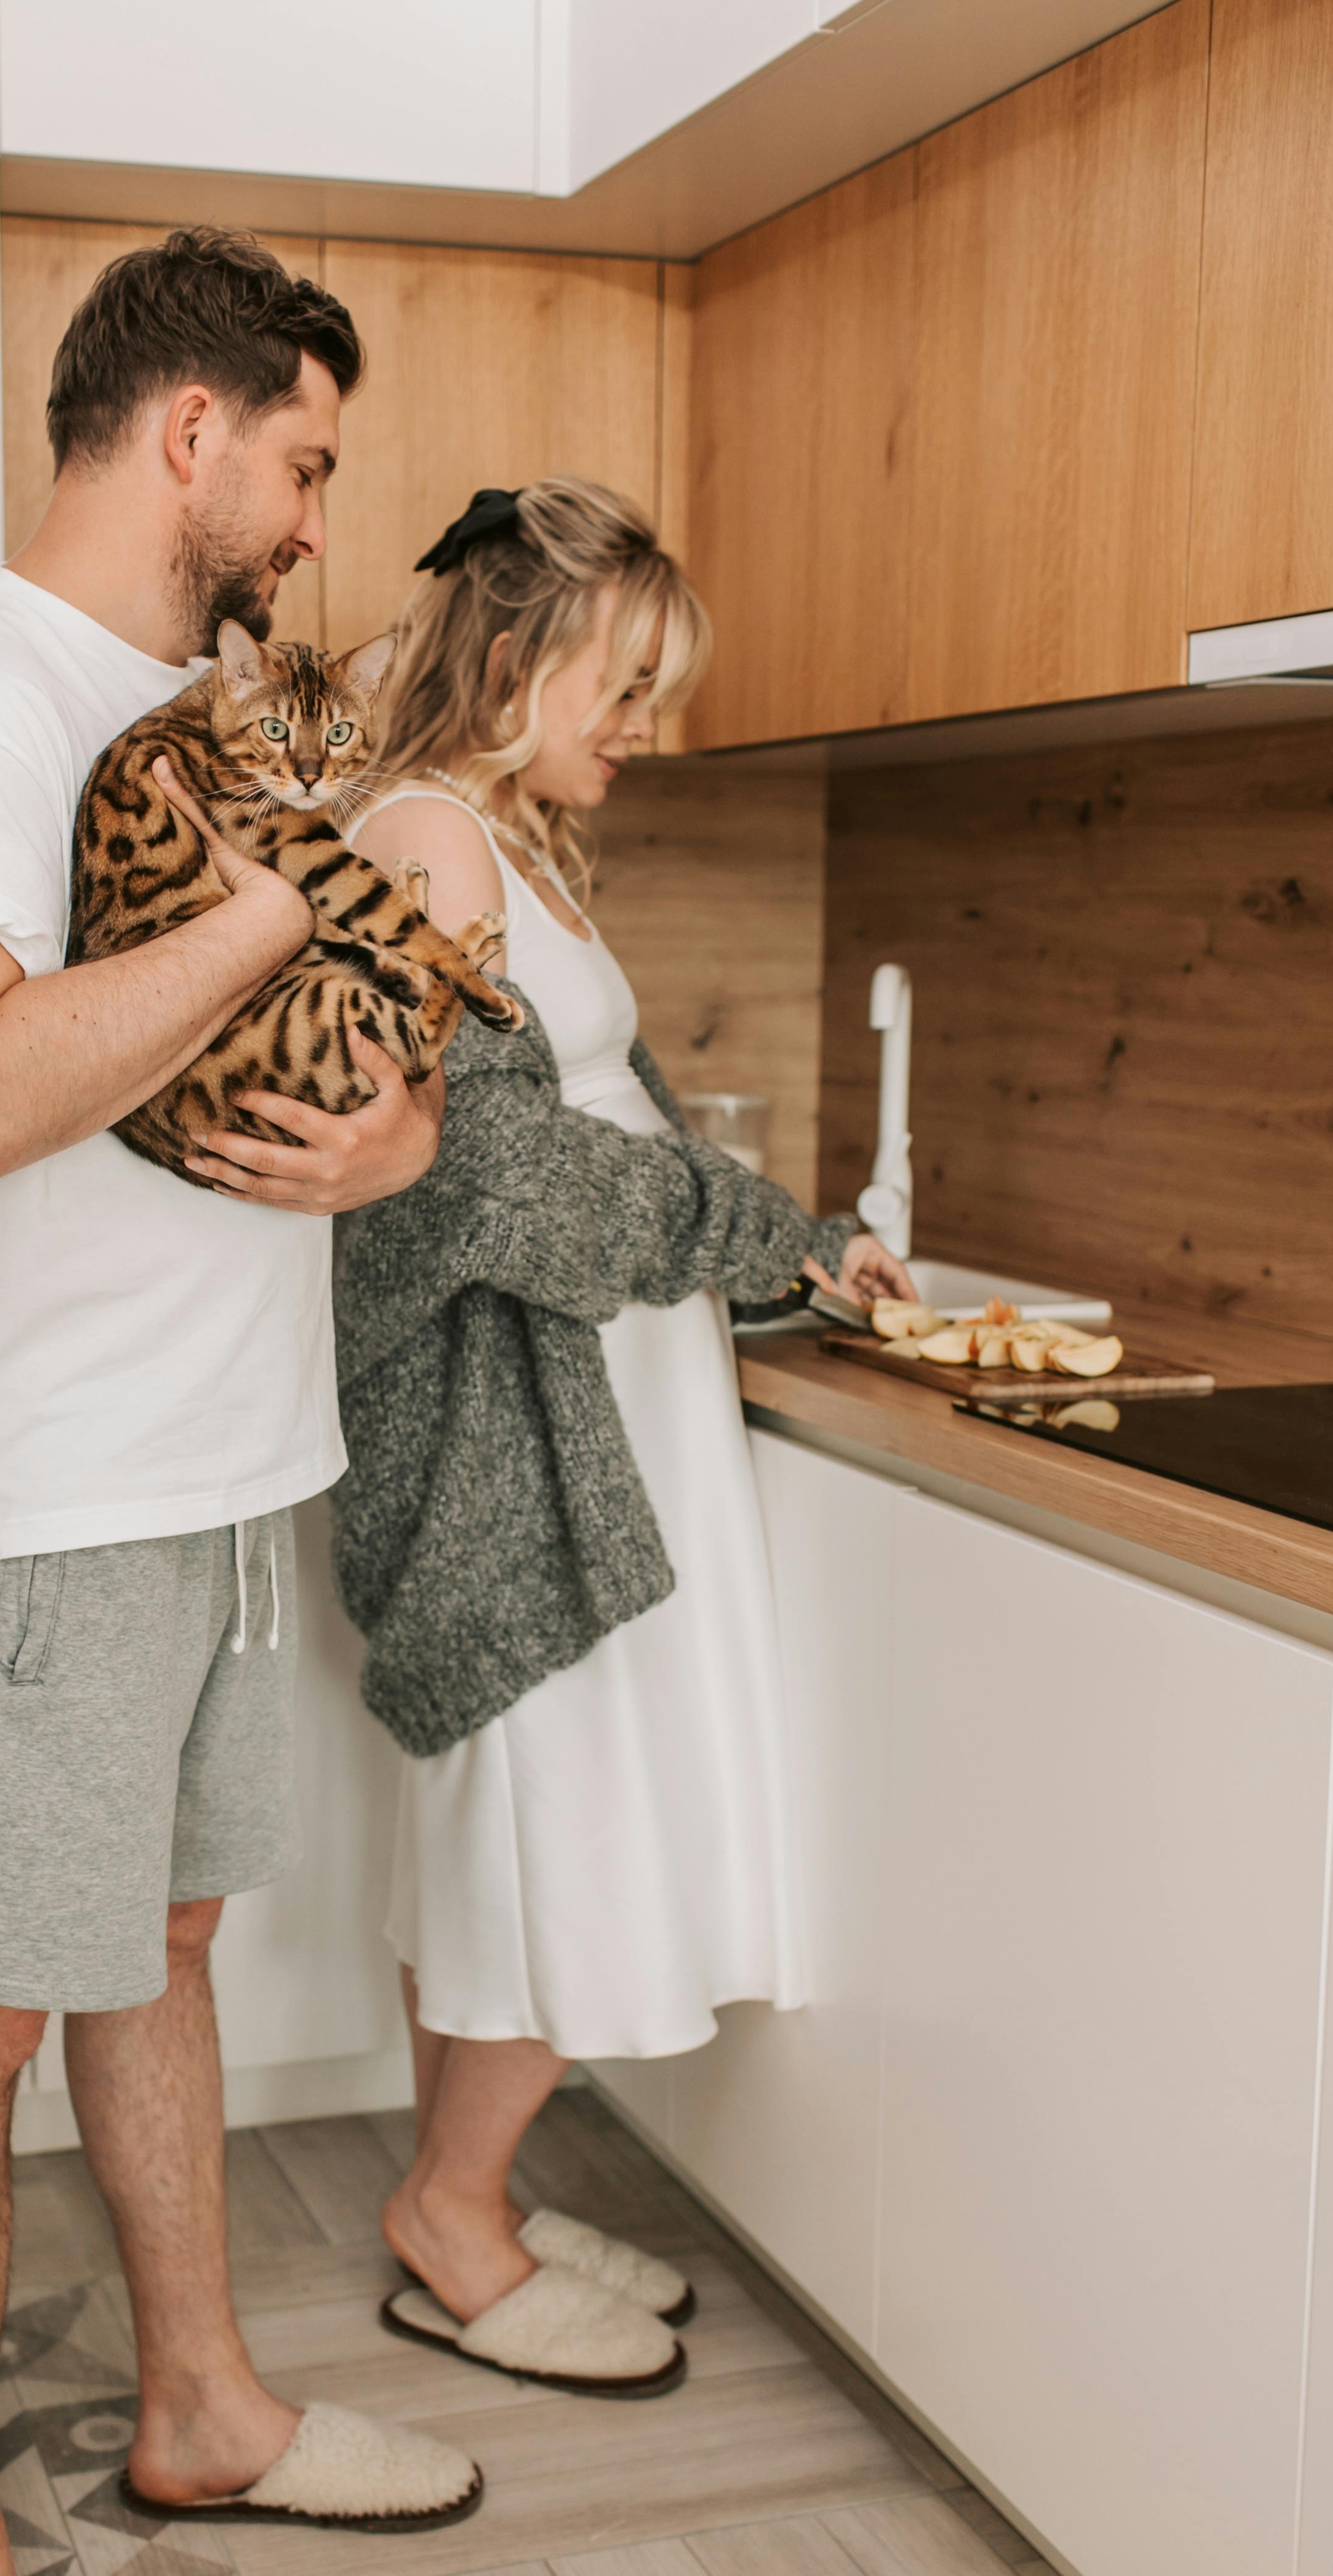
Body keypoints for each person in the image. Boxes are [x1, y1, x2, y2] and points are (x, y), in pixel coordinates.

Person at [0, 228, 480, 2576]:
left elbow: (321, 1060)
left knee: (170, 1945)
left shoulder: (203, 715)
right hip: (39, 1496)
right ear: (183, 432)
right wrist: (285, 900)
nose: (318, 519)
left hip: (217, 1466)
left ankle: (196, 2402)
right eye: (302, 461)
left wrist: (401, 1119)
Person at [326, 476, 917, 2398]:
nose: (647, 724)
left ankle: (454, 2188)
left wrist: (790, 1252)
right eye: (627, 679)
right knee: (545, 1817)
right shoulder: (426, 847)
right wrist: (781, 1242)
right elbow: (491, 1180)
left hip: (590, 1398)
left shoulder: (504, 841)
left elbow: (617, 1143)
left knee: (510, 1817)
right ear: (516, 656)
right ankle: (454, 2216)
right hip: (519, 1422)